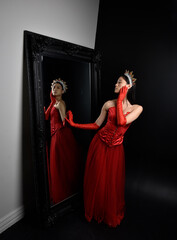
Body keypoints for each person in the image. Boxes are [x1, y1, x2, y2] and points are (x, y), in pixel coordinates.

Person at [65, 70, 143, 227]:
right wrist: (75, 124)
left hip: (116, 149)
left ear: (127, 86)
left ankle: (107, 210)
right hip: (100, 144)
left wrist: (121, 100)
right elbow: (96, 124)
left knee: (110, 181)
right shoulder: (108, 104)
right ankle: (96, 209)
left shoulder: (137, 108)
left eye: (119, 82)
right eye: (116, 82)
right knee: (97, 179)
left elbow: (122, 123)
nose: (115, 84)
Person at [44, 78, 82, 205]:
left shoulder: (60, 103)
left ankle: (65, 192)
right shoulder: (54, 103)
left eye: (57, 88)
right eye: (53, 87)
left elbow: (64, 121)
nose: (55, 89)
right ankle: (59, 189)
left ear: (63, 91)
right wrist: (51, 101)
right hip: (54, 136)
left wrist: (68, 116)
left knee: (61, 163)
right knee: (57, 164)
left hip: (60, 135)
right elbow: (46, 116)